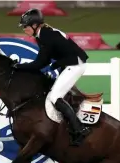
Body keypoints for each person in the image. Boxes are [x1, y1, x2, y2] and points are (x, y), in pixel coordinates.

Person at [13, 8, 91, 146]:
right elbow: (46, 61)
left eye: (25, 26)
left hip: (75, 64)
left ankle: (79, 129)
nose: (24, 29)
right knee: (52, 91)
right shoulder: (43, 34)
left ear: (35, 25)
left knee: (54, 97)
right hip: (70, 63)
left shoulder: (45, 36)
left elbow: (40, 63)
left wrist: (18, 67)